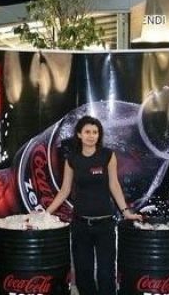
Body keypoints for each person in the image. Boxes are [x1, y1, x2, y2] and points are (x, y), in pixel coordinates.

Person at [46, 115, 141, 295]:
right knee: (83, 275)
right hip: (80, 226)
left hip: (105, 225)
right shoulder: (72, 159)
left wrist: (126, 212)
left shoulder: (107, 155)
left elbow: (114, 185)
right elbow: (64, 190)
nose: (91, 136)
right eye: (87, 132)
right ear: (79, 134)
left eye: (95, 132)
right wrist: (46, 213)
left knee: (106, 274)